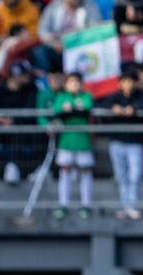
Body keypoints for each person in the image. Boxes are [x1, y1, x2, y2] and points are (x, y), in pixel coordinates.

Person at [100, 68, 143, 219]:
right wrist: (114, 109)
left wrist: (134, 110)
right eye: (125, 81)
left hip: (135, 142)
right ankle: (125, 206)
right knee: (121, 175)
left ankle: (132, 205)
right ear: (120, 83)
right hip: (117, 141)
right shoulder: (114, 97)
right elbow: (101, 108)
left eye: (131, 81)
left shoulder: (142, 96)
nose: (128, 85)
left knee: (135, 175)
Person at [50, 71, 94, 220]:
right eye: (71, 82)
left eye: (77, 82)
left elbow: (86, 108)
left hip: (82, 141)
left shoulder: (86, 96)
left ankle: (86, 205)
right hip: (66, 141)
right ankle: (63, 205)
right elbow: (57, 110)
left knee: (85, 173)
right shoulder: (61, 97)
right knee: (65, 173)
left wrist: (71, 109)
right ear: (66, 84)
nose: (74, 85)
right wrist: (71, 109)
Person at [36, 0, 102, 72]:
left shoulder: (89, 6)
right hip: (57, 48)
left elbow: (95, 30)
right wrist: (54, 44)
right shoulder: (54, 6)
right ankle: (49, 78)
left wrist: (72, 43)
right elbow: (42, 31)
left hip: (81, 48)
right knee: (39, 52)